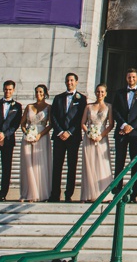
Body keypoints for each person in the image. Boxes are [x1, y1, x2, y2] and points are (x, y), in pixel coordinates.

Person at [111, 68, 137, 201]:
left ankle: (133, 194)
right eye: (129, 77)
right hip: (121, 131)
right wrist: (123, 125)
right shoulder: (119, 93)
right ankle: (117, 191)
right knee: (119, 163)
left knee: (135, 163)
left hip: (135, 133)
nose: (131, 79)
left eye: (133, 77)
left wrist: (131, 126)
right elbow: (115, 110)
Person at [49, 72, 85, 203]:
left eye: (71, 80)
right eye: (67, 80)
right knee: (57, 166)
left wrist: (69, 131)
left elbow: (81, 117)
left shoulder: (82, 99)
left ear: (76, 82)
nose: (69, 83)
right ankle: (54, 194)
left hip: (73, 137)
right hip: (59, 137)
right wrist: (60, 131)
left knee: (72, 166)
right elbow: (53, 116)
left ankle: (68, 194)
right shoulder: (58, 98)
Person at [80, 83, 114, 202]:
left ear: (106, 93)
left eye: (102, 92)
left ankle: (104, 193)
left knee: (102, 165)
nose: (100, 94)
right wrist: (89, 133)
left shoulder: (109, 107)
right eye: (98, 91)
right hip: (89, 138)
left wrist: (101, 136)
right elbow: (83, 123)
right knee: (89, 165)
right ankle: (88, 194)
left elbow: (111, 124)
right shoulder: (88, 107)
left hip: (102, 138)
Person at [20, 85, 53, 202]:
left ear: (45, 93)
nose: (38, 94)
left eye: (40, 92)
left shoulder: (49, 107)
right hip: (28, 137)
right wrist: (26, 132)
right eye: (36, 92)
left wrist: (40, 134)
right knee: (28, 165)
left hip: (41, 137)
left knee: (39, 164)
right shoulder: (29, 106)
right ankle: (27, 193)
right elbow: (23, 123)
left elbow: (50, 124)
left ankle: (39, 193)